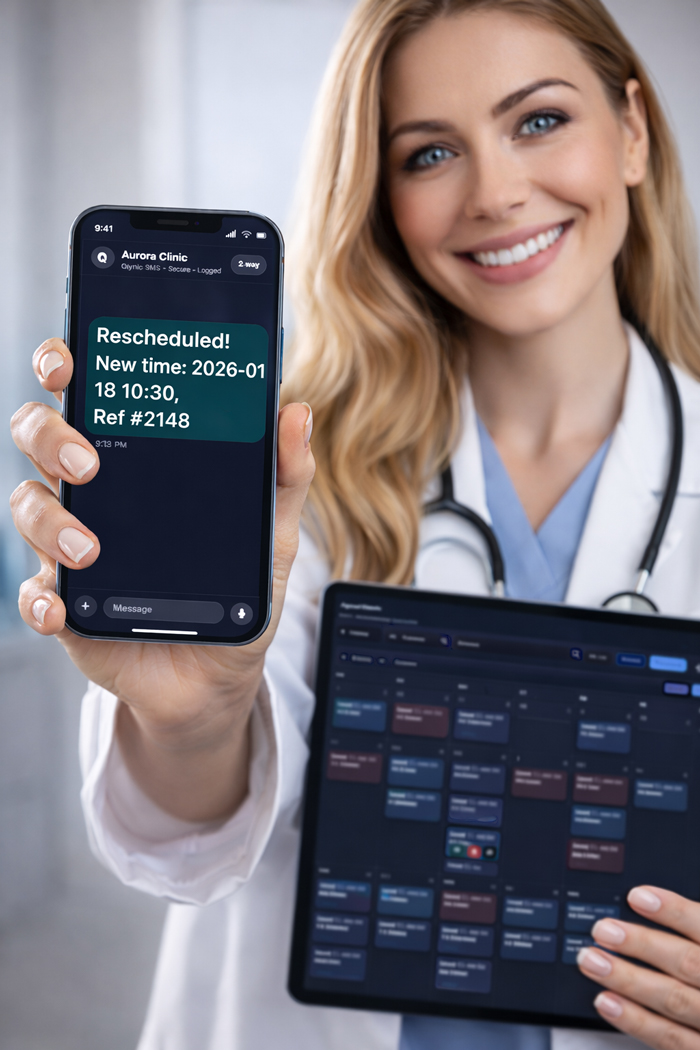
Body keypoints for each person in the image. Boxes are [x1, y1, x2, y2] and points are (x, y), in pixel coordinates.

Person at [10, 0, 700, 1048]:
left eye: (539, 121)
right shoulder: (291, 468)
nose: (498, 192)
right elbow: (189, 836)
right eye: (429, 153)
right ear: (379, 196)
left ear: (634, 133)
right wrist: (193, 716)